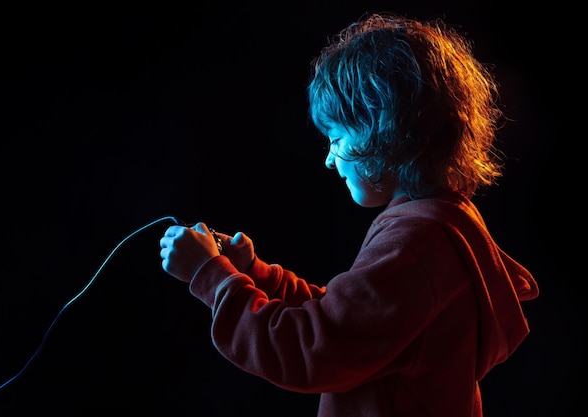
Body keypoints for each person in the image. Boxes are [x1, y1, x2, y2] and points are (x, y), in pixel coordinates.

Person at [159, 12, 539, 417]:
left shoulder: (417, 242)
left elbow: (314, 351)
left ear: (385, 128)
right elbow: (351, 324)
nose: (328, 160)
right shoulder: (442, 224)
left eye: (337, 138)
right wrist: (255, 274)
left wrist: (211, 276)